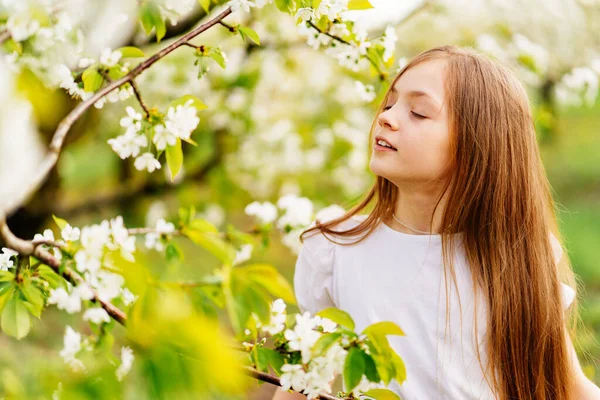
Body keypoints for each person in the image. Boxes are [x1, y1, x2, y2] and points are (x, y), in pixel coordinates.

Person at [272, 45, 600, 399]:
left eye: (418, 112)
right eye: (389, 103)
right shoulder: (336, 247)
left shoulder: (516, 254)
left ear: (477, 144)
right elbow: (303, 384)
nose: (387, 117)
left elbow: (567, 386)